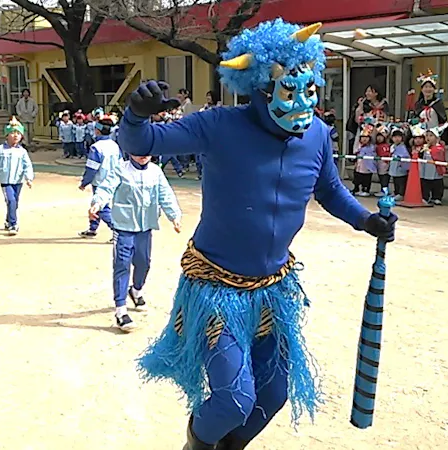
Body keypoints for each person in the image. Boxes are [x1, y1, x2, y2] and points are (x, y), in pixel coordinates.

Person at [119, 20, 397, 449]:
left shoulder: (318, 135)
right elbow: (143, 141)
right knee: (233, 399)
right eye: (289, 91)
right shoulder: (217, 125)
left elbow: (329, 189)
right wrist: (137, 113)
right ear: (258, 89)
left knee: (273, 393)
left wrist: (365, 219)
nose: (302, 103)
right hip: (216, 288)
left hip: (274, 291)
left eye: (309, 90)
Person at [89, 153, 182, 331]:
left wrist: (174, 215)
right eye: (138, 151)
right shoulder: (120, 169)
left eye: (147, 151)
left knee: (144, 262)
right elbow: (105, 188)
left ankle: (137, 290)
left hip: (145, 227)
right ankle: (120, 310)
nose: (142, 156)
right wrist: (97, 203)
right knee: (122, 264)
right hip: (123, 226)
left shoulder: (155, 172)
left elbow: (165, 194)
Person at [0, 117, 34, 235]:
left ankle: (8, 220)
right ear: (6, 135)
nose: (15, 135)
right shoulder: (0, 150)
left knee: (15, 202)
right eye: (12, 133)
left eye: (18, 133)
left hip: (18, 180)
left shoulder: (22, 151)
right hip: (5, 181)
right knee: (11, 200)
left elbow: (27, 165)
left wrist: (29, 178)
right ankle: (13, 224)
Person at [78, 114, 122, 241]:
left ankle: (116, 230)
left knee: (101, 206)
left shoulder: (96, 147)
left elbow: (92, 168)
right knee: (98, 205)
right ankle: (92, 228)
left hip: (100, 181)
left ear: (97, 130)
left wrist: (84, 182)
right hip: (114, 180)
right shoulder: (114, 145)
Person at [347, 85, 391, 152]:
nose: (367, 93)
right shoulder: (364, 104)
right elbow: (357, 120)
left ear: (376, 93)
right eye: (366, 91)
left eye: (369, 91)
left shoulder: (383, 105)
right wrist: (360, 105)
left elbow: (386, 119)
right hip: (366, 132)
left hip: (379, 132)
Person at [413, 70, 448, 145]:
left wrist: (443, 138)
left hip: (435, 135)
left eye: (430, 87)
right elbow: (415, 121)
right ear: (422, 89)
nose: (428, 89)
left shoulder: (438, 103)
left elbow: (442, 121)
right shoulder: (418, 104)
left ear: (434, 89)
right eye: (426, 87)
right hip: (422, 136)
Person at [419, 124, 448, 205]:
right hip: (425, 170)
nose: (428, 137)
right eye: (427, 135)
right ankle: (425, 197)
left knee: (437, 184)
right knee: (425, 184)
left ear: (437, 138)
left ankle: (437, 197)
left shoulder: (439, 147)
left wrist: (430, 151)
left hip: (435, 170)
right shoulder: (424, 147)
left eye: (431, 135)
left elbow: (439, 156)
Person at [352, 123, 376, 196]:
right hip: (359, 166)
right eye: (362, 137)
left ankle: (365, 190)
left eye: (366, 137)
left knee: (366, 179)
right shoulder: (358, 146)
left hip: (367, 167)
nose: (364, 139)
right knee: (357, 178)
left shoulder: (371, 147)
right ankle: (356, 189)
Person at [388, 125, 409, 201]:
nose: (397, 139)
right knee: (395, 180)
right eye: (395, 137)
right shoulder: (392, 146)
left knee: (401, 181)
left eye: (399, 137)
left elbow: (405, 156)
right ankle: (396, 192)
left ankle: (401, 193)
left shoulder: (403, 147)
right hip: (394, 166)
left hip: (400, 167)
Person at [375, 125, 391, 195]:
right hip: (379, 164)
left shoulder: (386, 146)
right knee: (381, 178)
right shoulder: (376, 146)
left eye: (381, 136)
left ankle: (384, 191)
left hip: (384, 164)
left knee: (384, 178)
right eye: (378, 136)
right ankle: (383, 190)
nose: (379, 138)